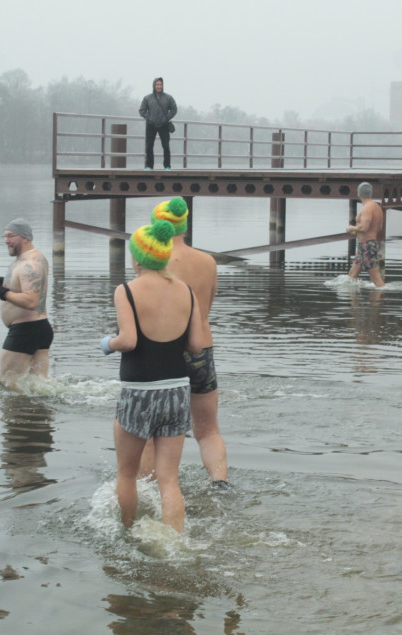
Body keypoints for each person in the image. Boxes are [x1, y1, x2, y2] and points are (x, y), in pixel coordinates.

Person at [100, 219, 204, 533]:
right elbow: (198, 345)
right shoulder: (185, 290)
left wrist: (107, 343)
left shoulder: (126, 291)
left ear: (137, 257)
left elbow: (128, 340)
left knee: (127, 475)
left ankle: (127, 533)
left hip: (139, 391)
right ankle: (175, 544)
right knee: (169, 480)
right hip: (177, 390)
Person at [138, 198, 230, 490]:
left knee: (150, 431)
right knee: (208, 430)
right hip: (202, 349)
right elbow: (207, 308)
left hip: (163, 352)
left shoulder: (154, 261)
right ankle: (220, 483)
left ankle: (147, 488)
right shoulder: (208, 261)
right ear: (184, 226)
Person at [0, 219, 53, 385]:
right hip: (37, 329)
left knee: (8, 385)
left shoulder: (30, 263)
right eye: (5, 236)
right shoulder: (32, 259)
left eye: (10, 236)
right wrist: (4, 283)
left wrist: (2, 292)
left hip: (26, 331)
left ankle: (17, 411)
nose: (6, 240)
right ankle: (39, 411)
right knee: (39, 387)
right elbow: (29, 286)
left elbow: (31, 300)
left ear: (25, 237)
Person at [347, 182, 386, 287]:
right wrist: (356, 231)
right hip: (364, 246)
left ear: (359, 193)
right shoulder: (376, 207)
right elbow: (378, 228)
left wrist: (352, 228)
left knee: (377, 281)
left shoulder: (367, 208)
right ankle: (352, 303)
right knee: (352, 276)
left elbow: (364, 227)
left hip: (367, 246)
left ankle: (379, 301)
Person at [138, 77, 177, 171]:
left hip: (164, 125)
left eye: (160, 84)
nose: (158, 86)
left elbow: (174, 109)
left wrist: (167, 118)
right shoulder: (147, 98)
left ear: (162, 86)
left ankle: (167, 166)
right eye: (157, 84)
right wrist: (149, 118)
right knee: (149, 146)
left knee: (166, 146)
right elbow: (142, 110)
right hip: (151, 125)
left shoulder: (168, 97)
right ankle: (149, 166)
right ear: (154, 86)